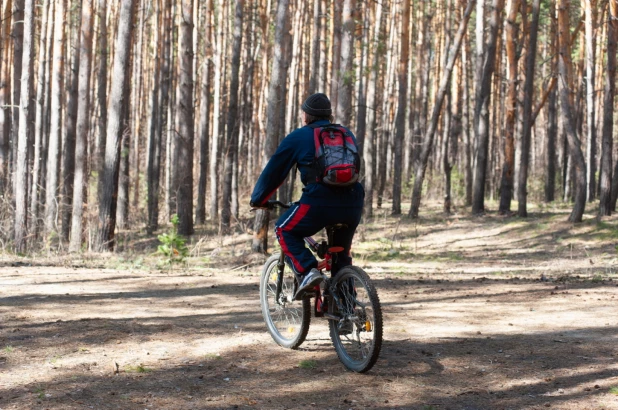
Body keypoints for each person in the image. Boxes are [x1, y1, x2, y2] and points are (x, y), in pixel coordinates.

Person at [250, 93, 365, 299]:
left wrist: (259, 199)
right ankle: (347, 311)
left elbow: (274, 172)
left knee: (284, 228)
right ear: (328, 115)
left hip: (319, 202)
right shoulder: (346, 134)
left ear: (306, 115)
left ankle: (307, 272)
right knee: (340, 256)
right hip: (353, 202)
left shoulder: (299, 136)